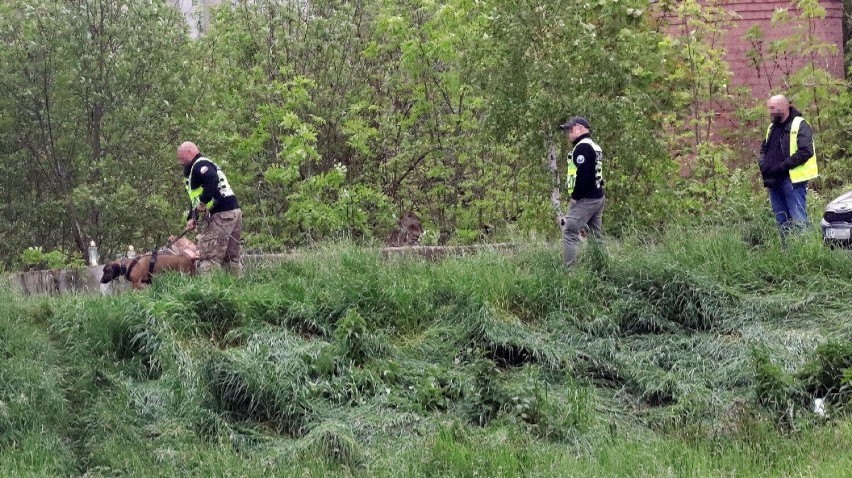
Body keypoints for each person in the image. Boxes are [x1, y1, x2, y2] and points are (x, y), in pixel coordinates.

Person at [177, 141, 243, 275]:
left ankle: (209, 292)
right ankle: (237, 289)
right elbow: (197, 197)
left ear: (190, 152)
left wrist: (202, 203)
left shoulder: (200, 165)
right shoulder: (201, 166)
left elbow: (212, 181)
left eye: (182, 158)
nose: (180, 162)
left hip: (221, 215)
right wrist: (192, 217)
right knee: (230, 258)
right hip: (233, 212)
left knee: (209, 257)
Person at [758, 95, 819, 232]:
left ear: (785, 107)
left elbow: (805, 151)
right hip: (774, 181)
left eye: (773, 108)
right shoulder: (772, 127)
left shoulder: (800, 124)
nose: (771, 112)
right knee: (782, 223)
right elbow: (764, 148)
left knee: (798, 222)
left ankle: (805, 252)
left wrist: (783, 166)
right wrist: (763, 163)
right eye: (770, 108)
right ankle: (787, 253)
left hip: (792, 181)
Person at [558, 116, 605, 267]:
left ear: (580, 128)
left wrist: (575, 196)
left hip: (586, 198)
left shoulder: (582, 148)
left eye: (570, 129)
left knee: (570, 232)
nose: (568, 134)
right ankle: (601, 269)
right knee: (595, 237)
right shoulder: (594, 146)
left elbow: (584, 174)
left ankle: (569, 273)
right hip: (597, 196)